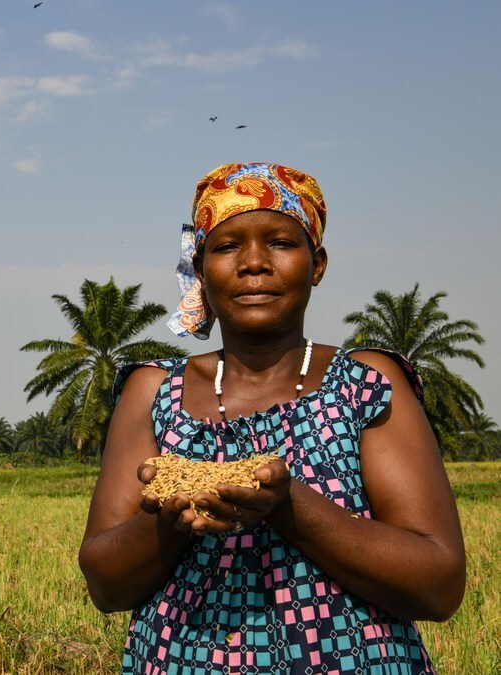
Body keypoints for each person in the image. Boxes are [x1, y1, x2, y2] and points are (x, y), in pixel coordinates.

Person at [78, 163, 466, 674]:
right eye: (226, 246)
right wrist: (168, 521)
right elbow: (105, 585)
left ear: (317, 263)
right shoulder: (153, 391)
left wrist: (289, 506)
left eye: (281, 243)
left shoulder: (365, 382)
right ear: (199, 268)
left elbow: (438, 584)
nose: (254, 263)